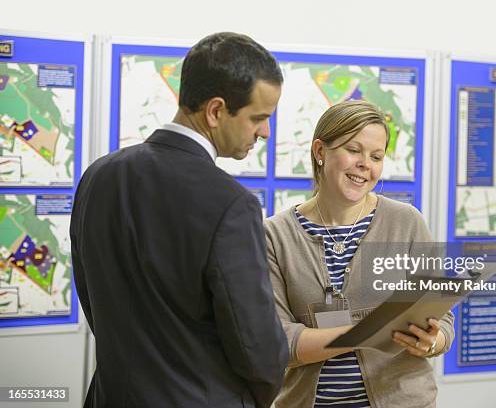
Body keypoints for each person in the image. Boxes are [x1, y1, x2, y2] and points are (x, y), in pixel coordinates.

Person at [70, 32, 288, 408]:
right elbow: (257, 347)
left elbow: (91, 297)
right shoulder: (231, 204)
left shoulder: (98, 176)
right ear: (216, 111)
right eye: (259, 118)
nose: (265, 132)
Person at [265, 100, 455, 408]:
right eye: (354, 150)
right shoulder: (274, 235)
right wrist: (371, 331)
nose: (366, 164)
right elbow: (279, 341)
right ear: (319, 152)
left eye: (376, 156)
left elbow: (443, 321)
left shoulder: (406, 221)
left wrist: (432, 341)